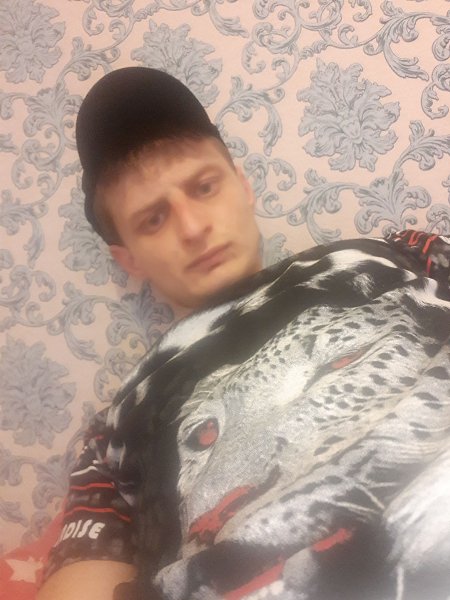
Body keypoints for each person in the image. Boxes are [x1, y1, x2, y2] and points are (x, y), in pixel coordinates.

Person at [38, 67, 450, 600]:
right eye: (153, 219)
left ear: (243, 185)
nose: (193, 228)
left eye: (204, 187)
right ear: (128, 258)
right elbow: (77, 584)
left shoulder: (396, 251)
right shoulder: (114, 430)